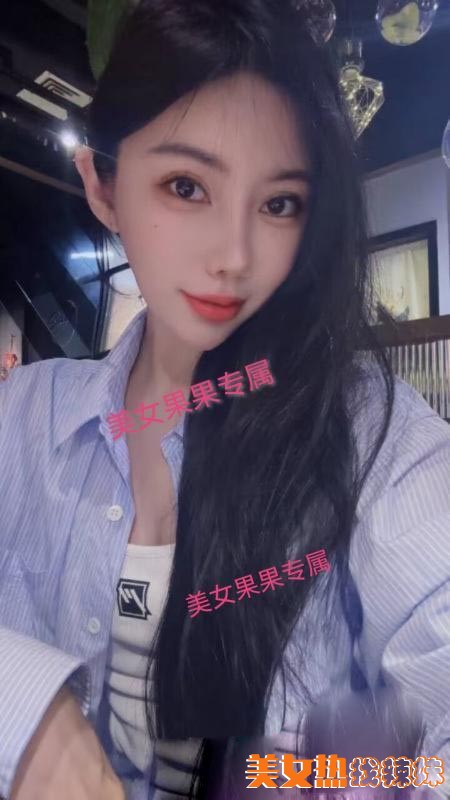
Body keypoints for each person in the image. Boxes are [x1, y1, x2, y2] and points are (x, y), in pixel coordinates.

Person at [0, 1, 449, 799]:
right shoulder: (25, 417)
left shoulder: (375, 440)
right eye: (186, 186)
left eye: (280, 203)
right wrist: (34, 722)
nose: (235, 257)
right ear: (103, 186)